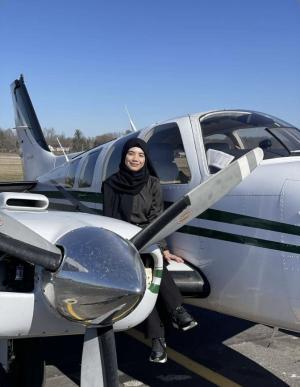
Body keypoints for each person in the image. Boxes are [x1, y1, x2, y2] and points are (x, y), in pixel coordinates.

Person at [102, 138, 197, 363]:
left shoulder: (153, 183)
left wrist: (164, 249)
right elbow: (108, 218)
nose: (135, 159)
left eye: (141, 155)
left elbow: (156, 218)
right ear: (124, 157)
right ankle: (165, 328)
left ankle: (169, 321)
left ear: (146, 159)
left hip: (149, 239)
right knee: (143, 283)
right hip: (122, 240)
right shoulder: (110, 183)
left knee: (153, 268)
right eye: (131, 154)